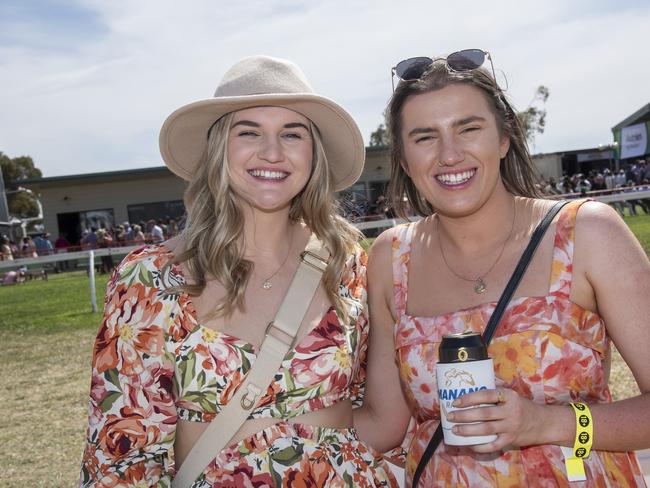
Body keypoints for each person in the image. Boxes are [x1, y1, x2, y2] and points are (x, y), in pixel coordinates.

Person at [80, 55, 398, 487]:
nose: (272, 151)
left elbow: (378, 413)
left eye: (292, 134)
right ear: (218, 149)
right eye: (248, 132)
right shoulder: (152, 280)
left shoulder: (348, 265)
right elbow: (121, 458)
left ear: (313, 154)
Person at [355, 50, 650, 486]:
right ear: (403, 159)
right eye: (425, 137)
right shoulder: (390, 258)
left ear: (504, 139)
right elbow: (384, 424)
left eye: (468, 129)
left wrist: (548, 424)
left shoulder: (586, 234)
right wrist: (260, 425)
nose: (449, 154)